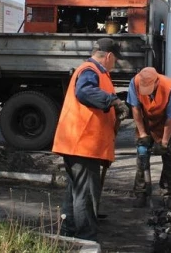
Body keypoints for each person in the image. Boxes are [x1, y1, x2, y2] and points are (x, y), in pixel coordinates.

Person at [52, 38, 128, 241]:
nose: (115, 64)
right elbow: (84, 92)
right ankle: (86, 238)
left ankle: (68, 233)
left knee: (75, 192)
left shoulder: (96, 72)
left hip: (78, 144)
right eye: (115, 60)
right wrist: (112, 101)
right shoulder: (90, 71)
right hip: (83, 145)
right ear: (109, 56)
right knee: (85, 196)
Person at [127, 67, 171, 209]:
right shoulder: (135, 83)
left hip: (166, 126)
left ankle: (168, 194)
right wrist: (143, 133)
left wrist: (164, 143)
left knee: (170, 160)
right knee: (142, 158)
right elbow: (136, 109)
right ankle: (141, 193)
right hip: (146, 124)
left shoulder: (170, 88)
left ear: (156, 82)